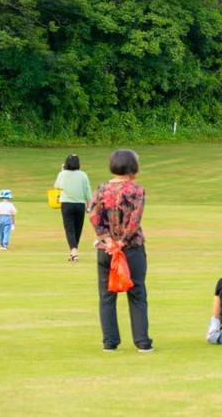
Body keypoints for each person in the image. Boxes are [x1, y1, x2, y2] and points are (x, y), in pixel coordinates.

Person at [90, 149, 152, 352]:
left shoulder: (101, 189)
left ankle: (110, 342)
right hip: (131, 248)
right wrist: (122, 242)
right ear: (133, 166)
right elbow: (135, 219)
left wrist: (108, 241)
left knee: (107, 295)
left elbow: (94, 216)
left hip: (106, 250)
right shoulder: (136, 190)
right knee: (137, 293)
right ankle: (142, 342)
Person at [54, 154, 92, 261]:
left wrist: (61, 171)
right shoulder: (83, 175)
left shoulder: (63, 174)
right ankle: (74, 252)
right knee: (77, 229)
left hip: (66, 204)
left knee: (69, 228)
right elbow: (87, 191)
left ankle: (73, 252)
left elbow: (57, 186)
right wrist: (89, 206)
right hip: (80, 204)